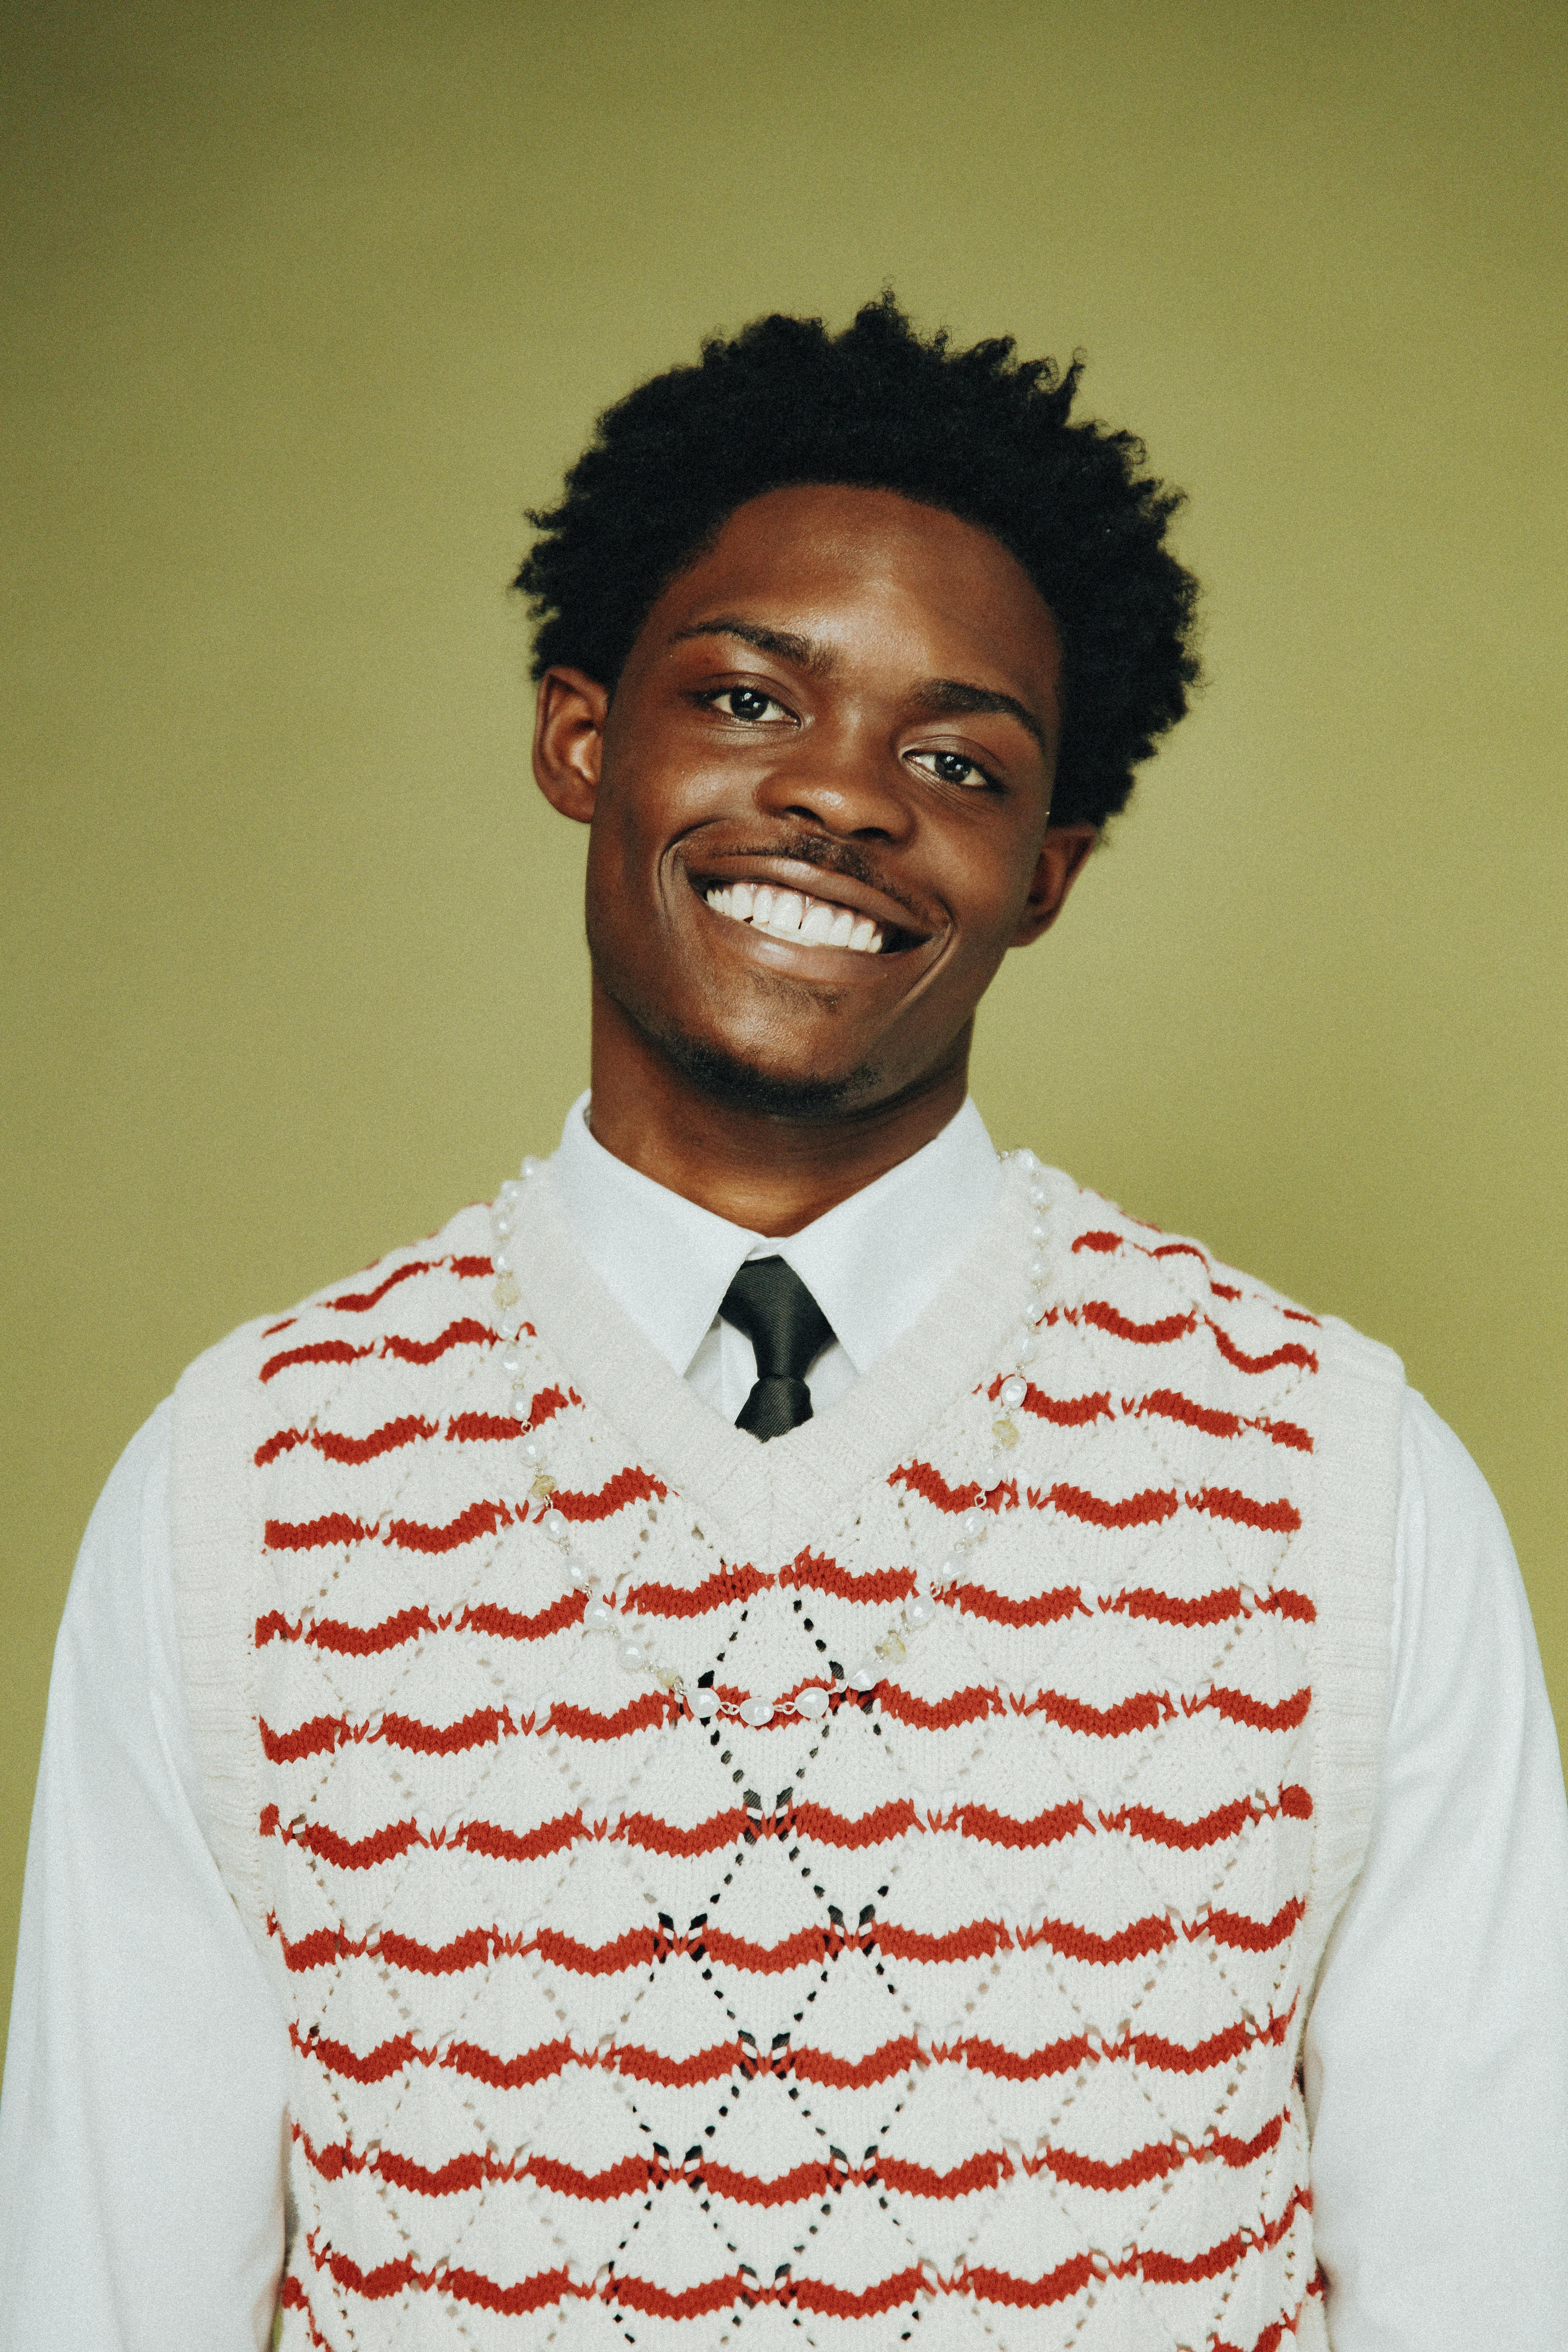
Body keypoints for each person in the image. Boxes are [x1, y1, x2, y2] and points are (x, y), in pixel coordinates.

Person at [2, 295, 1564, 2351]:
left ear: (1047, 871)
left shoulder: (1334, 1485)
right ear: (585, 738)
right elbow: (107, 2292)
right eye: (750, 702)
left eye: (956, 758)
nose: (842, 799)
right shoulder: (248, 1483)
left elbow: (1490, 2282)